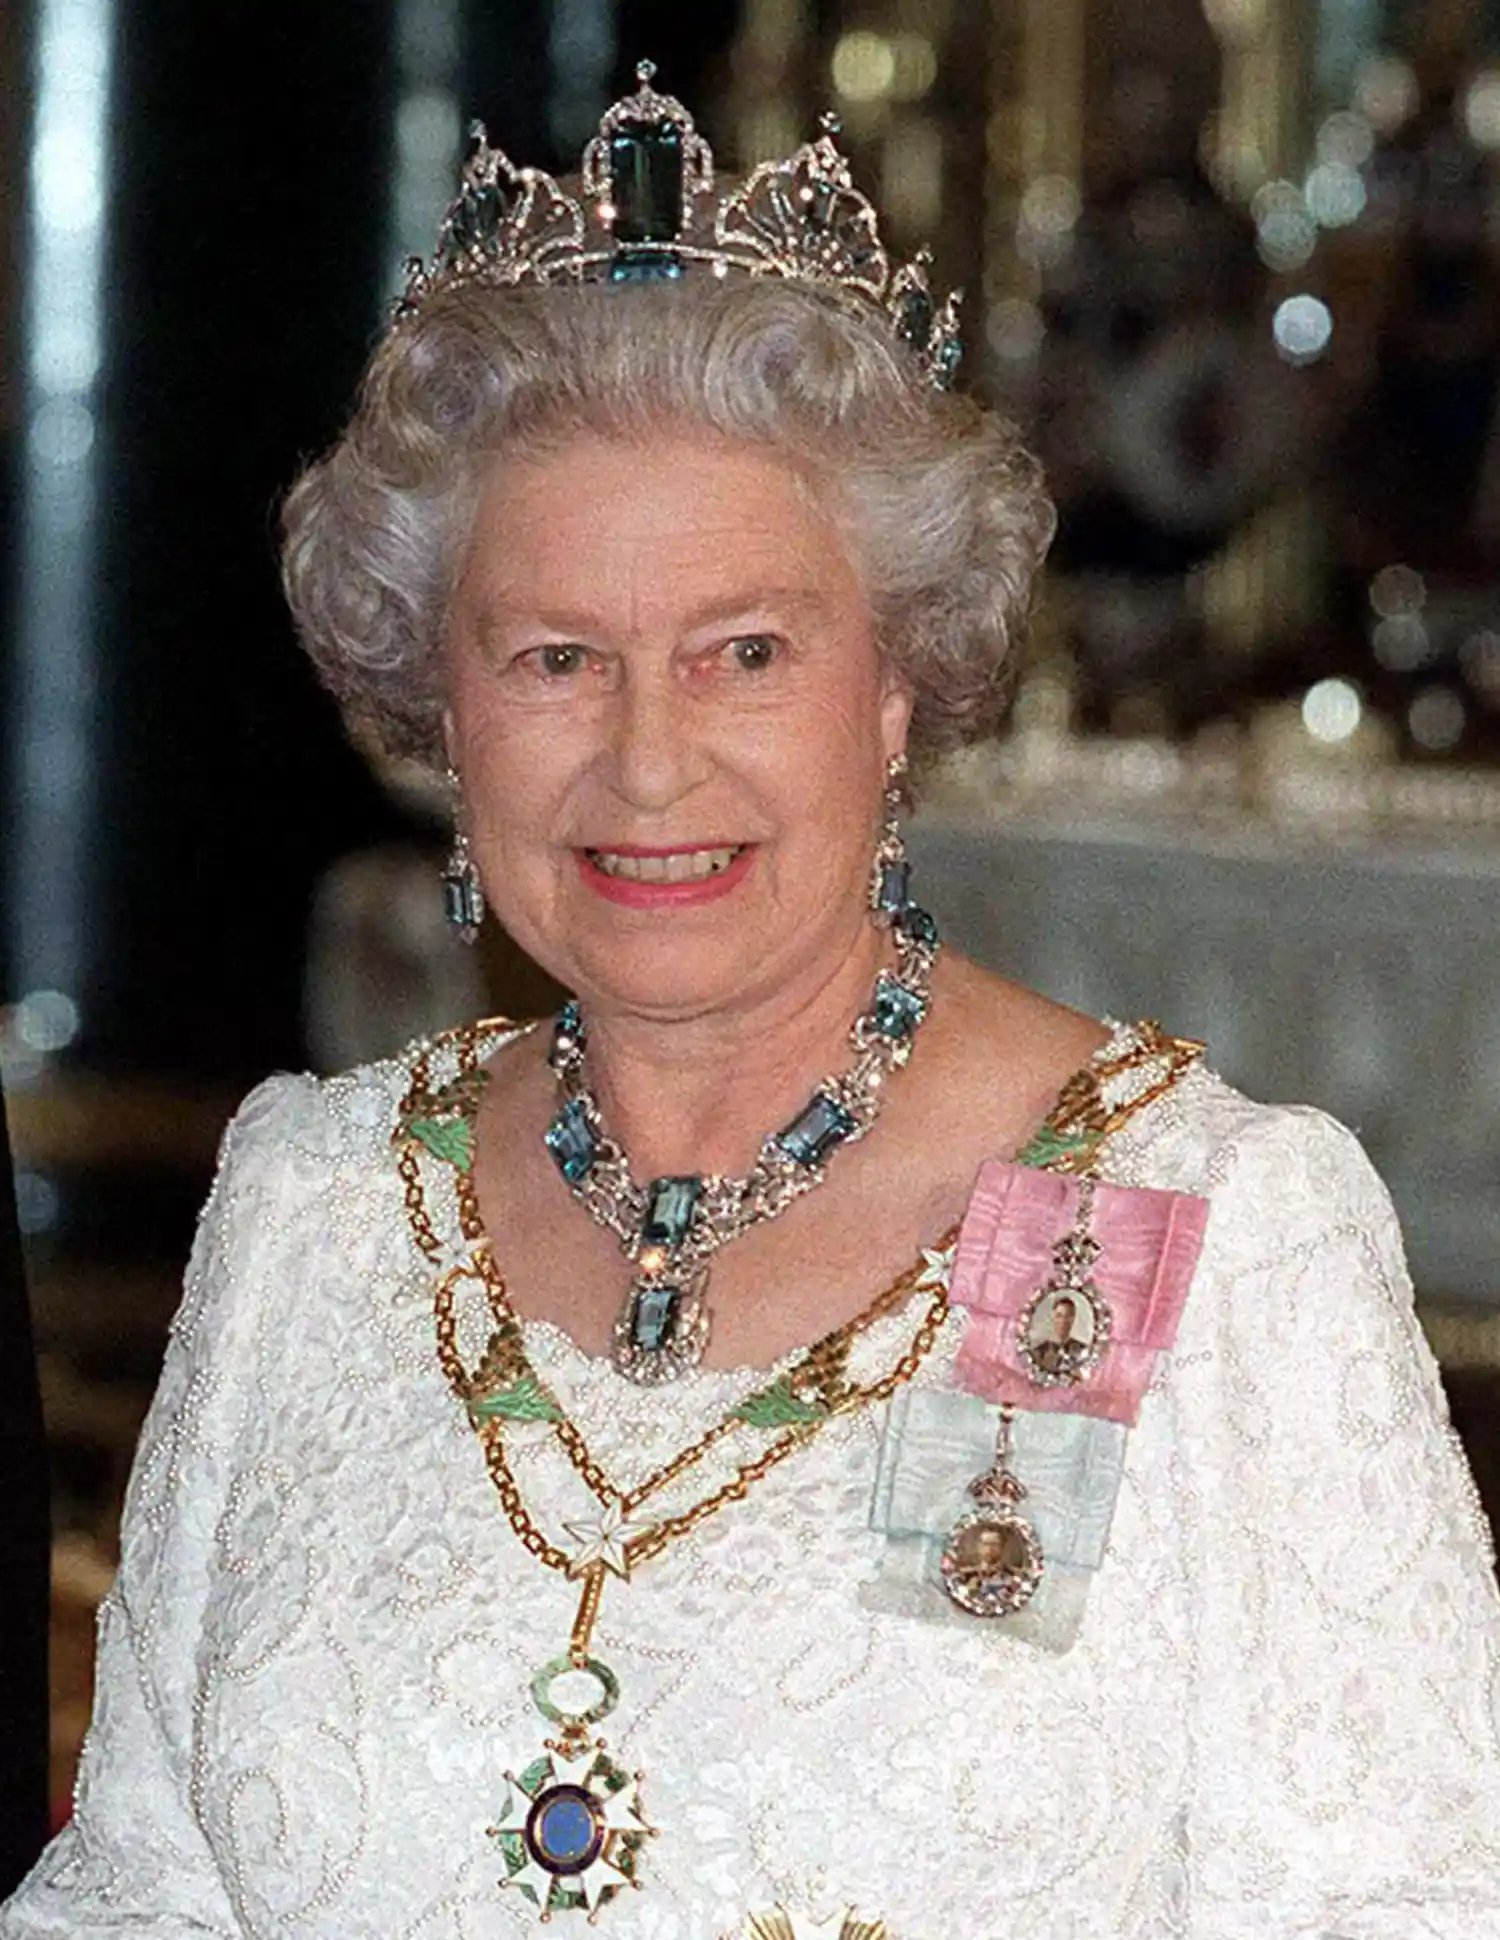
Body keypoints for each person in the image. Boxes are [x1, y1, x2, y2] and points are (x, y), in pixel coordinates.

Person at [5, 66, 1500, 1940]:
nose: (647, 766)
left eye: (747, 654)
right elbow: (140, 1893)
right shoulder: (314, 1205)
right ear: (441, 720)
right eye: (556, 658)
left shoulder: (1178, 1224)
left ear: (897, 693)